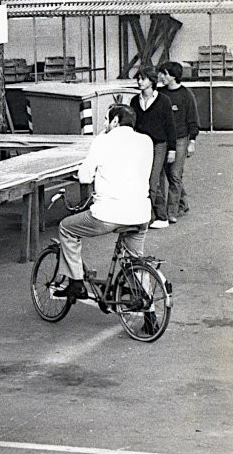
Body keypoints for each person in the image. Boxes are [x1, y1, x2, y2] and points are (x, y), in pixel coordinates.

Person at [52, 104, 153, 330]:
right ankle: (151, 315)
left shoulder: (103, 140)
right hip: (140, 213)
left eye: (107, 119)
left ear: (115, 121)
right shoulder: (146, 141)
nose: (104, 124)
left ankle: (76, 282)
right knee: (136, 260)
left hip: (109, 213)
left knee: (67, 228)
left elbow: (85, 176)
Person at [130, 66, 176, 229]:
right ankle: (155, 216)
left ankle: (155, 217)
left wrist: (172, 149)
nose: (139, 81)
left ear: (152, 81)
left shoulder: (163, 101)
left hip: (159, 145)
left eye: (142, 78)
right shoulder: (135, 101)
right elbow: (132, 125)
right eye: (138, 79)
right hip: (141, 145)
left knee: (153, 179)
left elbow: (170, 126)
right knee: (145, 180)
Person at [157, 61, 199, 222]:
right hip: (163, 140)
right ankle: (183, 202)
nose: (161, 76)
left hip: (180, 139)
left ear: (173, 76)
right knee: (168, 173)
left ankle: (171, 212)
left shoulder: (186, 95)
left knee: (174, 174)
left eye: (164, 74)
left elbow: (193, 120)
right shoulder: (160, 93)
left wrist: (192, 141)